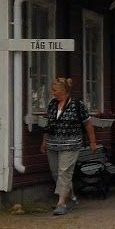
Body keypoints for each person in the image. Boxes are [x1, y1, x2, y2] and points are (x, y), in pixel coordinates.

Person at [41, 76, 97, 216]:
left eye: (55, 90)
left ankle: (61, 203)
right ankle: (71, 197)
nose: (53, 93)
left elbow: (88, 124)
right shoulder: (52, 104)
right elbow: (48, 124)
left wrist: (92, 142)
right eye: (52, 90)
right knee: (56, 173)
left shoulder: (77, 105)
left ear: (64, 90)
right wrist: (44, 141)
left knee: (64, 171)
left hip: (71, 144)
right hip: (53, 143)